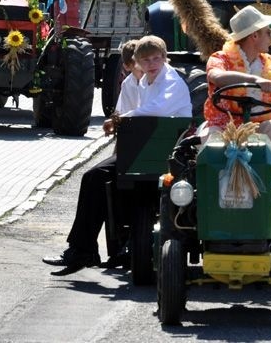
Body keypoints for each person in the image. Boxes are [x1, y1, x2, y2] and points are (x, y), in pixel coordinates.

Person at [42, 35, 192, 275]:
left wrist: (121, 119)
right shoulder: (145, 83)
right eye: (146, 60)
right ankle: (88, 249)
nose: (152, 64)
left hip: (166, 153)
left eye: (156, 58)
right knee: (94, 177)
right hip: (146, 150)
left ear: (165, 58)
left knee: (98, 177)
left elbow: (157, 109)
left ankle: (84, 250)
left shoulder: (171, 80)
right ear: (138, 63)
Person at [202, 5, 271, 161]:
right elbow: (216, 76)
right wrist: (254, 80)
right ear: (254, 36)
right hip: (223, 126)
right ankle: (216, 176)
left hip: (259, 125)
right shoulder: (220, 58)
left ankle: (270, 173)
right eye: (268, 32)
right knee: (212, 142)